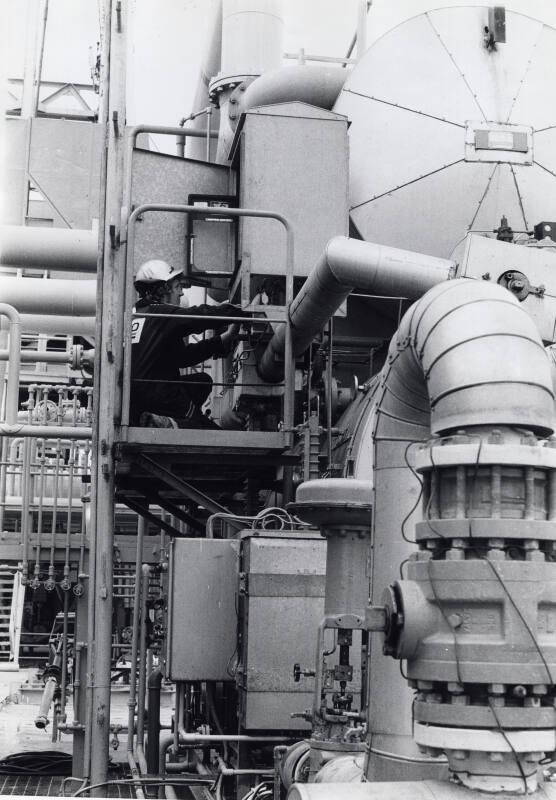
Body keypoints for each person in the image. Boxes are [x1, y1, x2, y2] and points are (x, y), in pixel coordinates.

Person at [130, 259, 244, 428]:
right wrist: (233, 311)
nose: (181, 293)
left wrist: (223, 339)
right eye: (177, 287)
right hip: (161, 396)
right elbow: (195, 318)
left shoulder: (140, 317)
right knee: (216, 438)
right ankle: (173, 421)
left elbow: (182, 358)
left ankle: (166, 420)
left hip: (138, 401)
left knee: (202, 382)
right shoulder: (159, 314)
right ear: (162, 289)